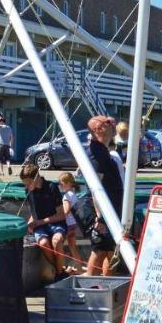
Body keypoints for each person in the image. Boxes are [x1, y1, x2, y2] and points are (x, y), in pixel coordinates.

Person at [85, 115, 124, 276]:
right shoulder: (96, 154)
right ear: (99, 129)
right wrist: (100, 217)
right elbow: (96, 188)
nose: (113, 125)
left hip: (112, 210)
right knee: (100, 250)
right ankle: (89, 290)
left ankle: (106, 287)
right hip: (103, 213)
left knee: (110, 251)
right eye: (108, 123)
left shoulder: (104, 151)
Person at [20, 163, 67, 279]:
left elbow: (61, 215)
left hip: (55, 223)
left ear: (37, 177)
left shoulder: (51, 188)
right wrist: (28, 225)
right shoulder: (29, 191)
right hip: (40, 226)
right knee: (43, 243)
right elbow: (34, 213)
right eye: (25, 183)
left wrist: (40, 222)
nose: (27, 186)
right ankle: (58, 270)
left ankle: (59, 273)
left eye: (29, 182)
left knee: (57, 241)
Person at [58, 172, 85, 274]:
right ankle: (78, 268)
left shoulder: (66, 196)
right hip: (74, 223)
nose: (60, 186)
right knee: (72, 246)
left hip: (68, 224)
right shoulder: (73, 194)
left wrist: (57, 215)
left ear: (68, 183)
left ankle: (60, 268)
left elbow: (66, 211)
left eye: (61, 183)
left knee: (59, 244)